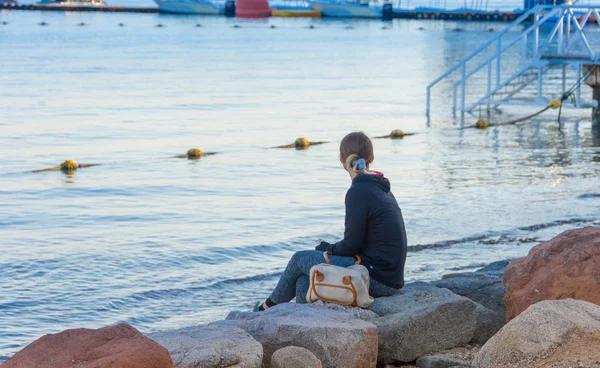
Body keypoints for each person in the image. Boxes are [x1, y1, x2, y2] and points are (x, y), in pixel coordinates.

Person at [255, 132, 408, 312]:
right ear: (371, 157)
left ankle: (266, 309)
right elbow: (360, 242)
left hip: (376, 277)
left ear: (342, 160)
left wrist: (329, 249)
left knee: (299, 259)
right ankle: (305, 320)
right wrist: (330, 249)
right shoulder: (379, 186)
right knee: (305, 278)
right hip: (389, 275)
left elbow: (352, 245)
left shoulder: (359, 191)